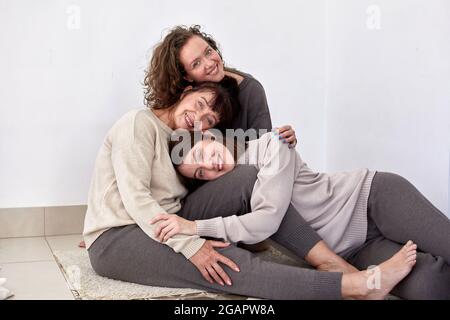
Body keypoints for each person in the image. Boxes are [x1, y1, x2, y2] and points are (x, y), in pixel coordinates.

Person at [83, 81, 417, 300]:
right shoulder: (137, 123)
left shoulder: (186, 142)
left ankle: (330, 262)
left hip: (163, 224)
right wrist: (191, 245)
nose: (201, 116)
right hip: (120, 237)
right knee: (221, 262)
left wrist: (278, 142)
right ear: (184, 90)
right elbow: (135, 197)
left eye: (209, 117)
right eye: (199, 103)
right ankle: (353, 286)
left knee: (248, 177)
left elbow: (191, 188)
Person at [144, 24, 363, 276]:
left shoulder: (248, 91)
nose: (210, 62)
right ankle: (323, 256)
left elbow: (262, 161)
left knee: (256, 180)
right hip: (194, 197)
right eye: (196, 64)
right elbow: (144, 166)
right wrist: (116, 224)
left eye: (209, 51)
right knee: (250, 184)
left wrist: (279, 141)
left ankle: (324, 252)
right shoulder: (180, 109)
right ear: (186, 82)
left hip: (243, 192)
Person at [158, 129, 450, 299]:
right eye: (201, 173)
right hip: (354, 250)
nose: (211, 167)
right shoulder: (234, 194)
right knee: (432, 286)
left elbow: (268, 219)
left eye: (203, 155)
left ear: (210, 137)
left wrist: (194, 227)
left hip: (370, 198)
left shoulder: (273, 144)